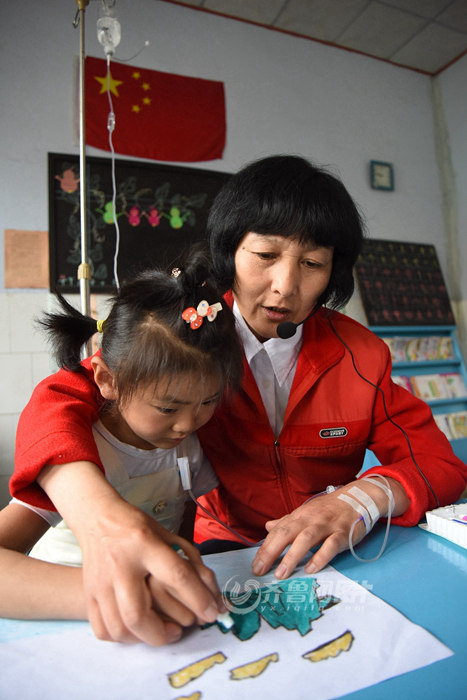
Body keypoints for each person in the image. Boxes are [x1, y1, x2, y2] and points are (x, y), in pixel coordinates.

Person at [9, 155, 467, 643]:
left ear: (333, 274)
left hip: (335, 552)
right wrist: (99, 515)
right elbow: (63, 397)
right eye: (265, 256)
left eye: (312, 264)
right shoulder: (192, 332)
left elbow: (437, 463)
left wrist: (358, 499)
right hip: (226, 552)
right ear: (229, 253)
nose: (285, 286)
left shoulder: (362, 355)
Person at [0, 250, 243, 643]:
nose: (187, 423)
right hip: (64, 627)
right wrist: (101, 594)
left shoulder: (187, 445)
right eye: (168, 407)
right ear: (106, 379)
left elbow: (182, 520)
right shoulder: (77, 454)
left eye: (208, 402)